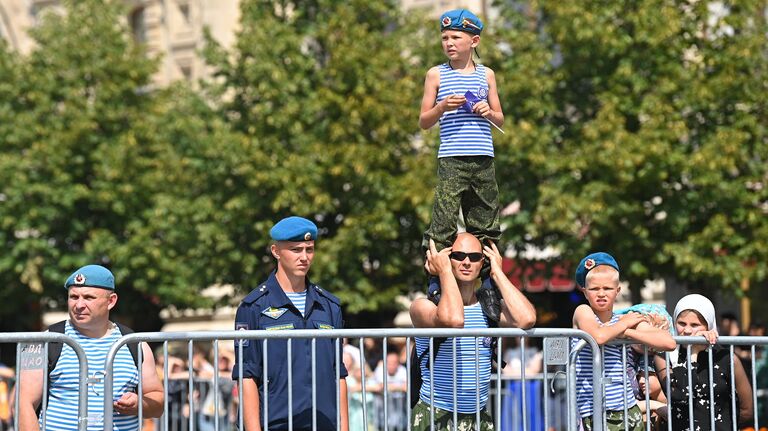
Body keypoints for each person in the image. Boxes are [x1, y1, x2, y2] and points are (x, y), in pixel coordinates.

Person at [418, 9, 505, 305]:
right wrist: (442, 107)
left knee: (485, 219)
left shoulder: (487, 74)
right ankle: (435, 279)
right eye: (445, 38)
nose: (449, 43)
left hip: (482, 156)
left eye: (456, 37)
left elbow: (500, 118)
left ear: (474, 41)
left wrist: (488, 112)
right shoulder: (436, 74)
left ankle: (490, 282)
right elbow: (424, 120)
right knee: (443, 221)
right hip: (451, 158)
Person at [409, 234, 536, 430]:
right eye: (458, 255)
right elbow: (454, 320)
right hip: (435, 415)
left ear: (482, 263)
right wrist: (443, 272)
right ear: (447, 259)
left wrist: (497, 274)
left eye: (474, 257)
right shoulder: (423, 306)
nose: (466, 262)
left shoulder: (488, 309)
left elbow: (526, 318)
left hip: (479, 416)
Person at [233, 216, 348, 431]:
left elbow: (338, 373)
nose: (304, 257)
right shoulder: (254, 307)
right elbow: (246, 376)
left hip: (323, 423)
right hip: (275, 424)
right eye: (296, 250)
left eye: (309, 249)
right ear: (276, 251)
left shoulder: (329, 305)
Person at [17, 264, 164, 430]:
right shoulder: (45, 341)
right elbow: (22, 402)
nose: (79, 305)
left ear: (111, 301)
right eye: (73, 297)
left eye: (88, 298)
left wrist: (139, 404)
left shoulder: (134, 344)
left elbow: (158, 401)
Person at [571, 253, 675, 431]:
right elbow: (599, 337)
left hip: (628, 410)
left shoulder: (623, 322)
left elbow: (668, 342)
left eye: (607, 288)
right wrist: (624, 325)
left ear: (618, 291)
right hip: (593, 412)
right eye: (595, 289)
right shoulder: (583, 311)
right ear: (584, 291)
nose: (601, 293)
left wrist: (628, 332)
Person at [654, 294, 753, 431]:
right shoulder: (665, 356)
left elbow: (747, 410)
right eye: (682, 323)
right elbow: (680, 395)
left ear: (708, 326)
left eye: (695, 325)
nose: (687, 331)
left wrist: (721, 425)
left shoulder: (726, 358)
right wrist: (694, 354)